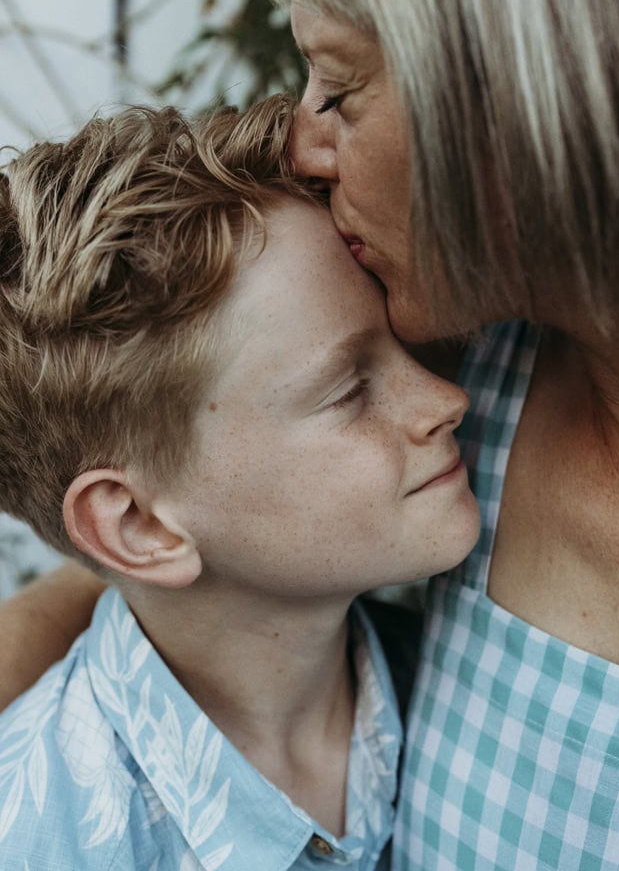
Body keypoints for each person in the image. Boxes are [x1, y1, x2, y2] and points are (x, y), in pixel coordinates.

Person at [1, 0, 619, 868]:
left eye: (339, 88)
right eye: (353, 381)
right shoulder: (468, 326)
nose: (306, 145)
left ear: (514, 101)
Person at [244, 0, 619, 869]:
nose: (300, 146)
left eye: (338, 88)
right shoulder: (445, 385)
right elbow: (190, 569)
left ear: (532, 86)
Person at [0, 96, 480, 869]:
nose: (447, 401)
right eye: (347, 391)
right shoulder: (41, 840)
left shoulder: (459, 684)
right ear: (139, 526)